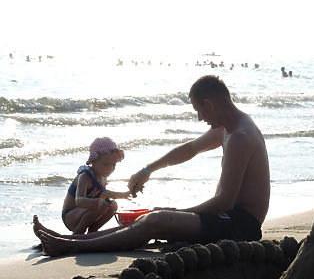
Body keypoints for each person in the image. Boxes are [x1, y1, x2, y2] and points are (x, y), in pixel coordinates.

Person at [35, 75, 271, 256]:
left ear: (209, 104)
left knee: (156, 219)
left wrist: (177, 213)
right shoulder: (225, 129)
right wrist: (147, 170)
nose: (200, 118)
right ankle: (71, 240)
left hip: (240, 225)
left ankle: (71, 246)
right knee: (150, 218)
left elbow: (225, 202)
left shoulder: (240, 136)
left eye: (198, 111)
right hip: (226, 218)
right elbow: (189, 150)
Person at [61, 137, 130, 235]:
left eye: (113, 165)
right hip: (71, 217)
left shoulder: (102, 177)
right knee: (99, 205)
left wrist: (124, 195)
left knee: (112, 205)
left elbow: (105, 194)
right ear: (93, 161)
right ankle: (77, 233)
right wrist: (97, 202)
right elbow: (79, 200)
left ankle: (93, 231)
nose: (110, 168)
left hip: (87, 214)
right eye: (106, 164)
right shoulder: (85, 176)